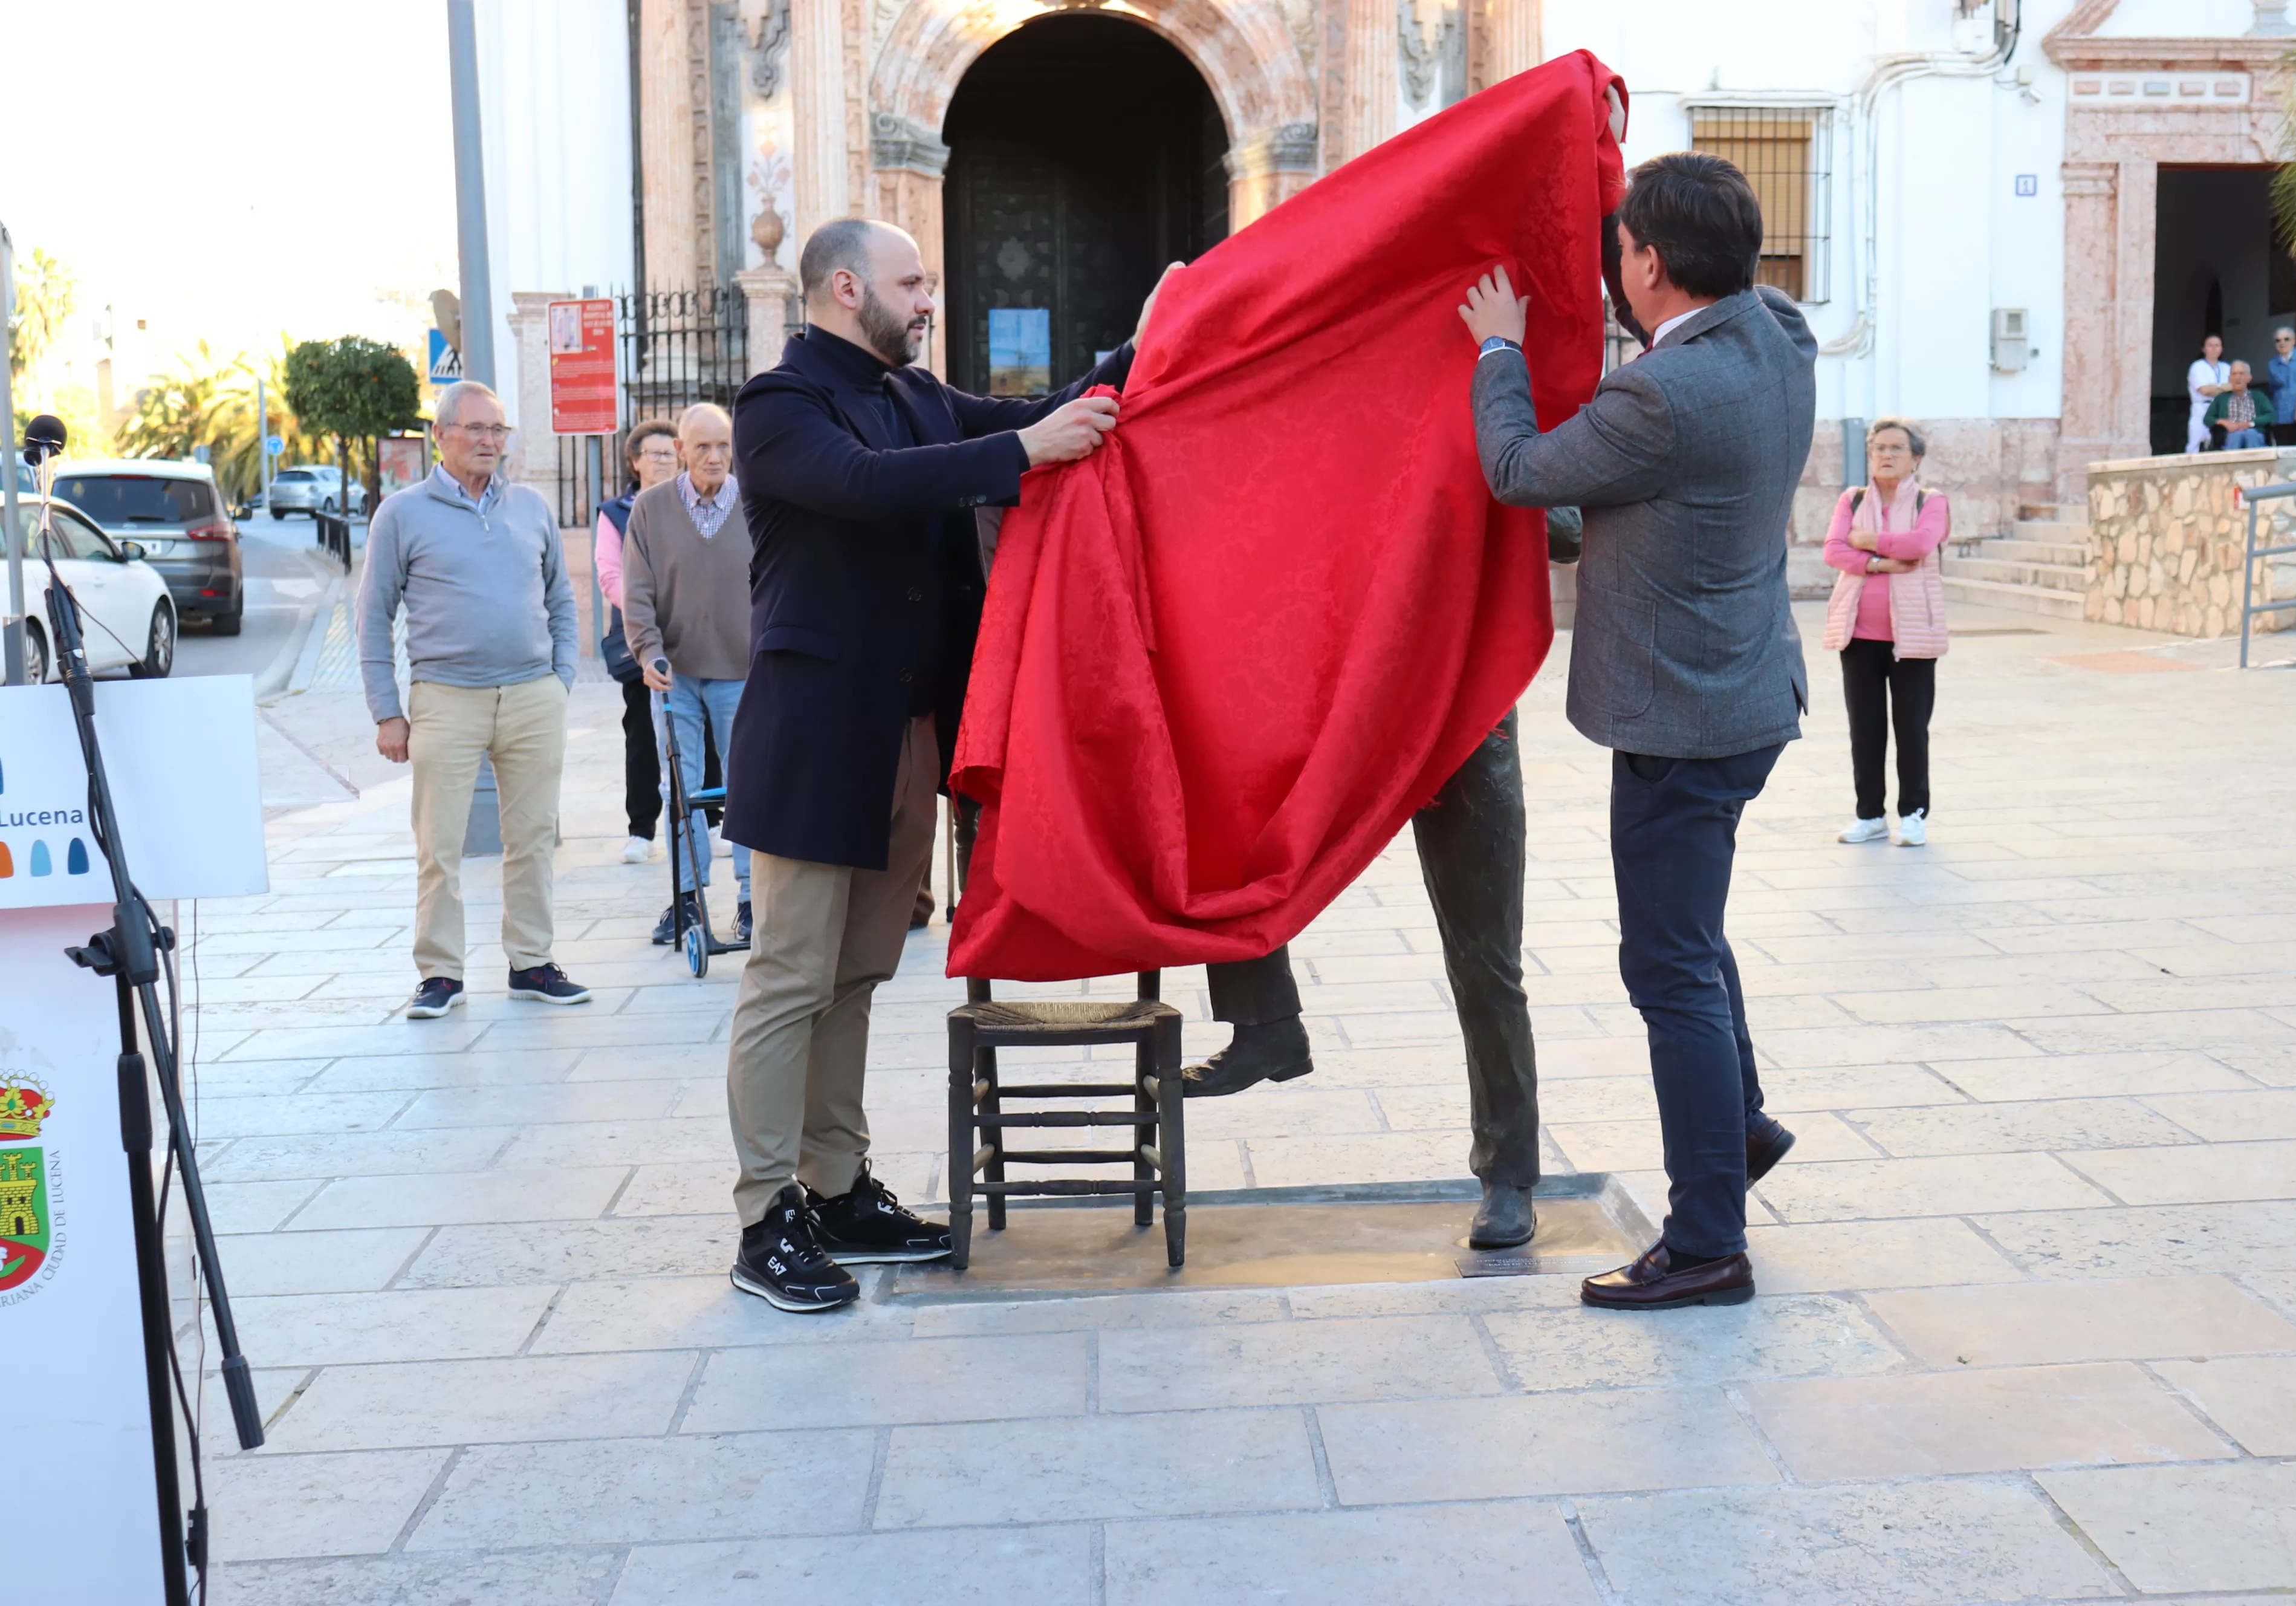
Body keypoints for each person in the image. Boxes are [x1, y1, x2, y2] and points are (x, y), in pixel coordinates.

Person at [718, 216, 1171, 1313]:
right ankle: (762, 1215)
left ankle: (834, 1187)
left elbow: (1030, 414)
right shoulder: (779, 406)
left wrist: (1150, 343)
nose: (926, 300)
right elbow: (875, 485)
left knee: (859, 973)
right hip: (816, 734)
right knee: (789, 976)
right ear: (840, 288)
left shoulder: (918, 394)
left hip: (905, 731)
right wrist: (1023, 452)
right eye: (909, 283)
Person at [1459, 150, 1810, 1312]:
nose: (1613, 267)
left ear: (1650, 264)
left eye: (1619, 251)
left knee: (1665, 967)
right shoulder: (1779, 338)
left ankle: (1706, 1239)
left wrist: (1499, 348)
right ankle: (1739, 1126)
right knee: (1692, 939)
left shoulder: (1658, 396)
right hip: (1746, 693)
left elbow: (1515, 470)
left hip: (1679, 717)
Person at [1185, 717, 1545, 1249]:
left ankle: (1509, 1172)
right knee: (1235, 797)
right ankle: (1266, 1025)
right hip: (1350, 691)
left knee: (1485, 964)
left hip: (1463, 714)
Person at [359, 380, 591, 1018]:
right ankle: (440, 973)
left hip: (532, 695)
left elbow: (561, 599)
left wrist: (560, 678)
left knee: (534, 836)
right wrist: (387, 711)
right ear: (441, 435)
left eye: (499, 430)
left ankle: (532, 963)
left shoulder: (530, 508)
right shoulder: (402, 514)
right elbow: (373, 616)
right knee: (440, 845)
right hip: (445, 699)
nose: (491, 441)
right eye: (477, 429)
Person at [623, 403, 756, 945]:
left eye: (724, 446)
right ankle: (687, 899)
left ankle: (752, 900)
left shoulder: (755, 504)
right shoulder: (651, 509)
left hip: (743, 670)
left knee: (749, 789)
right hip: (673, 674)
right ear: (680, 451)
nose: (716, 457)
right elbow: (637, 591)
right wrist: (648, 653)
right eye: (703, 447)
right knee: (679, 785)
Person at [1823, 418, 1949, 848]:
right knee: (1866, 729)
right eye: (1879, 448)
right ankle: (1870, 815)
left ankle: (1913, 814)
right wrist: (1878, 563)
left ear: (1916, 458)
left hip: (1913, 636)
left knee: (1912, 728)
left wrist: (1868, 540)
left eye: (1897, 448)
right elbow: (1834, 550)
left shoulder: (1931, 502)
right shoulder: (1853, 498)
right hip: (1858, 636)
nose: (1886, 455)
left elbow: (1919, 544)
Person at [596, 418, 679, 863]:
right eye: (655, 454)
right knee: (643, 733)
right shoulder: (615, 513)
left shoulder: (694, 501)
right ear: (635, 461)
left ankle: (710, 819)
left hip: (694, 634)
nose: (664, 461)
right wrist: (647, 617)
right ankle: (642, 829)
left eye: (670, 453)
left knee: (706, 729)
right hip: (642, 638)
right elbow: (612, 576)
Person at [2208, 360, 2272, 450]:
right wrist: (2224, 422)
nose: (2238, 377)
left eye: (2242, 374)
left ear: (2249, 378)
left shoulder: (2259, 396)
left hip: (2254, 432)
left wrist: (2250, 424)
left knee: (2251, 434)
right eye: (2234, 374)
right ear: (2230, 378)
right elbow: (2207, 419)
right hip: (2232, 434)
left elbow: (2271, 416)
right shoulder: (2221, 398)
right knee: (2236, 435)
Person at [2185, 335, 2230, 455]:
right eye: (2210, 346)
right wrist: (2224, 387)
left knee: (2220, 443)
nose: (2214, 349)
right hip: (2202, 408)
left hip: (2222, 409)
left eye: (2217, 346)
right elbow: (2204, 390)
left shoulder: (2226, 368)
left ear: (2222, 349)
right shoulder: (2197, 367)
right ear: (2204, 349)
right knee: (2196, 443)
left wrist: (2214, 387)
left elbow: (2234, 388)